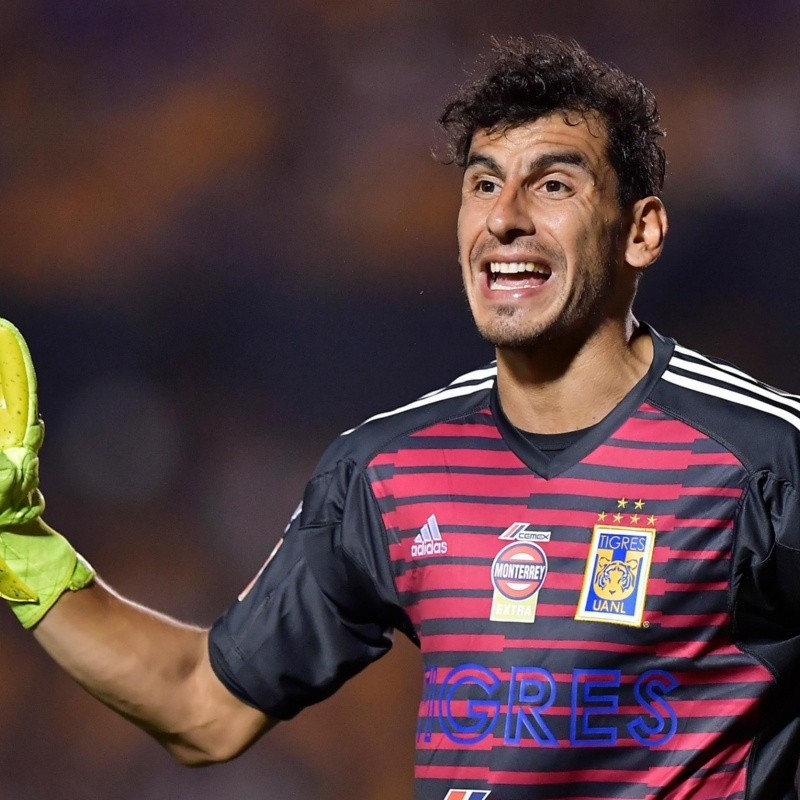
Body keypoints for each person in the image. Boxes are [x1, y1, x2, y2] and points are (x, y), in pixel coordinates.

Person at [1, 33, 799, 800]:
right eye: (484, 184)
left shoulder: (763, 460)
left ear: (641, 231)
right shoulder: (387, 470)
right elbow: (201, 706)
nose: (506, 218)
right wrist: (19, 543)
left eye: (553, 184)